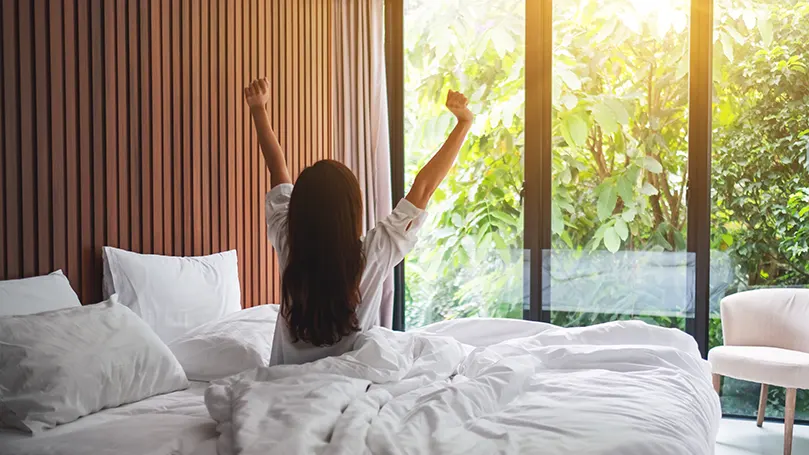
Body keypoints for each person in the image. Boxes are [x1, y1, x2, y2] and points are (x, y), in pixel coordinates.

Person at [243, 77, 473, 366]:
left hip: (285, 383)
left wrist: (258, 109)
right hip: (348, 384)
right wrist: (463, 124)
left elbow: (277, 170)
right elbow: (424, 187)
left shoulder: (288, 241)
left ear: (298, 209)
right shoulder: (374, 253)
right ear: (352, 210)